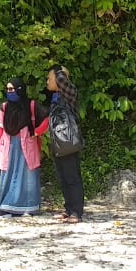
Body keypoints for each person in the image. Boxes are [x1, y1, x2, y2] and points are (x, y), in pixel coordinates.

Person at [0, 78, 48, 216]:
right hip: (9, 147)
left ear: (20, 90)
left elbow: (47, 118)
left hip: (27, 146)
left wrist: (37, 132)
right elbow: (0, 129)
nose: (9, 92)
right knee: (9, 175)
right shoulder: (4, 107)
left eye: (12, 89)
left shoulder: (31, 105)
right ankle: (7, 206)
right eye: (8, 89)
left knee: (27, 176)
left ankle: (29, 207)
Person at [45, 66, 84, 223]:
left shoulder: (69, 95)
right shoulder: (55, 97)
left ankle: (77, 212)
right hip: (58, 143)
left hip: (69, 142)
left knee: (72, 177)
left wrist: (58, 70)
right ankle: (69, 209)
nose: (47, 81)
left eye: (49, 78)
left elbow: (63, 80)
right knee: (63, 178)